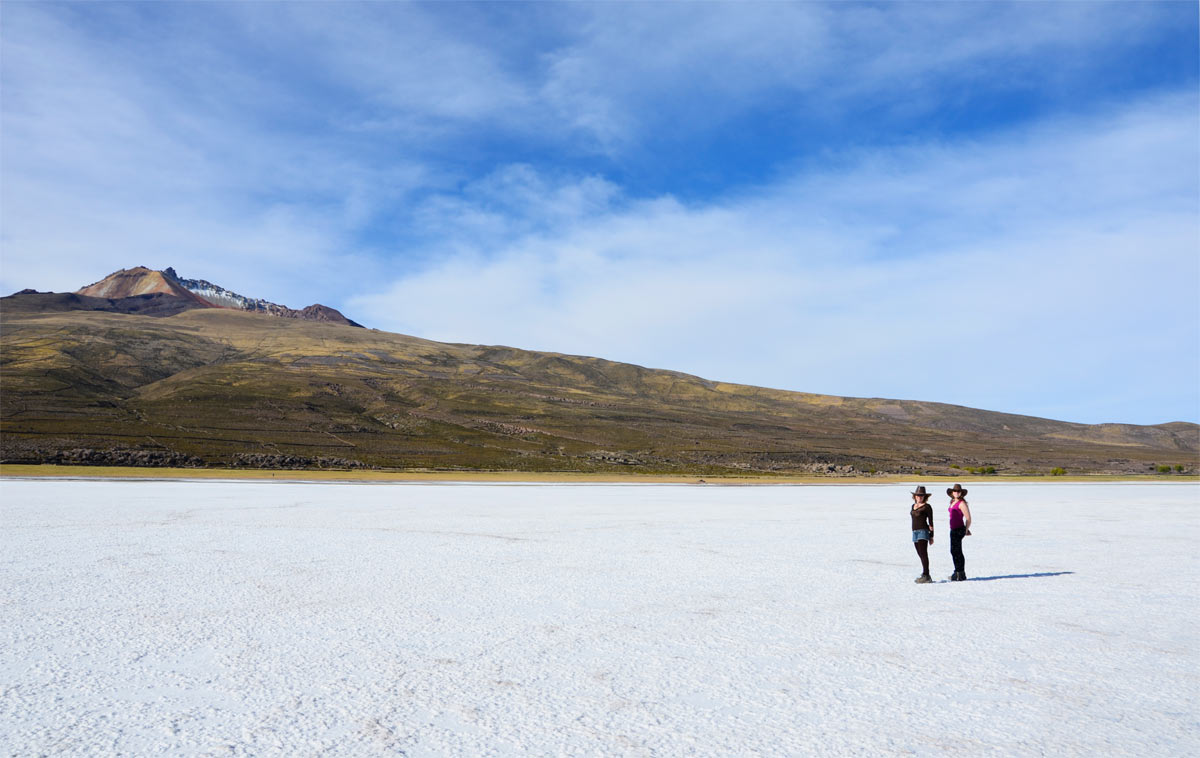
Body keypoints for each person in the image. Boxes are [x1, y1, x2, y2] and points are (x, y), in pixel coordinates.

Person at [946, 483, 973, 581]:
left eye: (958, 491)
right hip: (953, 529)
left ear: (961, 493)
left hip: (959, 529)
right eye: (955, 491)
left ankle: (959, 573)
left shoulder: (962, 503)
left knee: (956, 551)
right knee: (954, 551)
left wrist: (965, 530)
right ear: (952, 493)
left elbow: (968, 518)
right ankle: (958, 572)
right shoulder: (953, 502)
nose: (956, 493)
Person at [910, 486, 935, 583]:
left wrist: (931, 535)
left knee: (924, 553)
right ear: (915, 496)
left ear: (925, 496)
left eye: (921, 495)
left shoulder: (927, 507)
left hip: (923, 531)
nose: (919, 497)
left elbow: (931, 522)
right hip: (914, 532)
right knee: (920, 553)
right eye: (918, 495)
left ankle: (926, 575)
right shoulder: (913, 506)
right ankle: (924, 572)